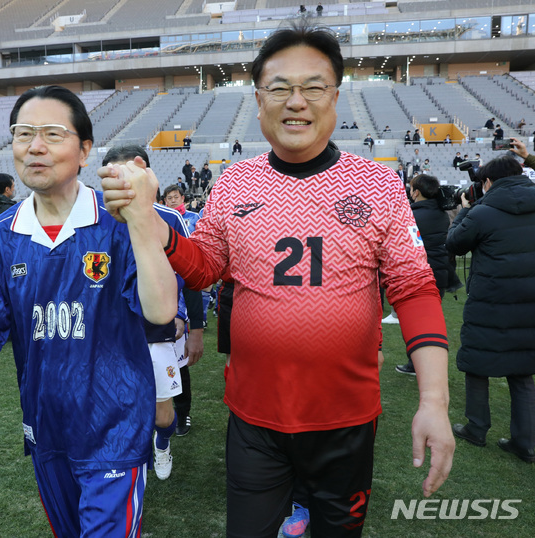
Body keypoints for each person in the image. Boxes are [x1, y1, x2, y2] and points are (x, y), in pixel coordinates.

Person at [101, 23, 454, 537]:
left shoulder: (377, 183)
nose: (297, 101)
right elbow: (205, 267)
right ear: (259, 100)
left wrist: (435, 402)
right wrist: (152, 223)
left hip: (346, 419)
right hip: (255, 418)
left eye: (313, 87)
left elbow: (415, 290)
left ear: (335, 97)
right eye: (280, 88)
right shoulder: (236, 181)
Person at [0, 86, 178, 537]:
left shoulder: (117, 223)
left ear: (85, 150)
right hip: (46, 429)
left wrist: (142, 223)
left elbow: (162, 310)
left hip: (116, 427)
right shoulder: (0, 238)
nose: (35, 146)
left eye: (53, 134)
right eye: (23, 133)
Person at [102, 144, 203, 481]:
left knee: (162, 414)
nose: (119, 184)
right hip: (114, 332)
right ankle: (134, 455)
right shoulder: (97, 221)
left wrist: (192, 324)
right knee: (122, 407)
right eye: (111, 177)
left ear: (143, 171)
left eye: (125, 174)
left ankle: (162, 445)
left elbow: (191, 274)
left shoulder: (171, 218)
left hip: (159, 328)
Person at [446, 155, 535, 464]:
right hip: (531, 301)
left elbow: (454, 243)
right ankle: (524, 443)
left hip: (490, 299)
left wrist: (464, 211)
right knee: (522, 371)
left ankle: (476, 428)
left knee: (477, 363)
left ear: (488, 182)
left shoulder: (483, 212)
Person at [395, 174, 452, 375]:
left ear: (416, 192)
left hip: (419, 273)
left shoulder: (410, 214)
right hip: (440, 271)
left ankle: (416, 365)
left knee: (417, 323)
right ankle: (421, 365)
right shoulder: (442, 213)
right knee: (430, 320)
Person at [161, 184, 204, 437]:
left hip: (171, 310)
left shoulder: (174, 221)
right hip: (134, 315)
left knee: (178, 366)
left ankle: (182, 412)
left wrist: (182, 315)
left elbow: (187, 273)